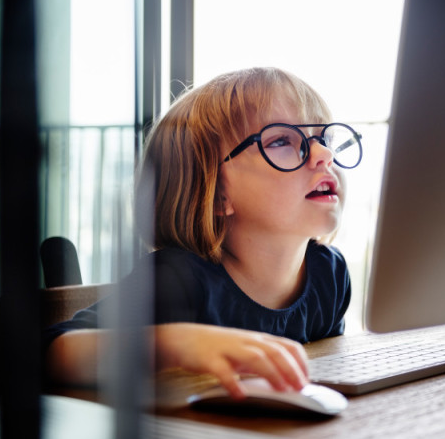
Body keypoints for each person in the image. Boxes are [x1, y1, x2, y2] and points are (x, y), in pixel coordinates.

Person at [43, 67, 361, 399]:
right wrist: (174, 342)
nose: (325, 155)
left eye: (325, 140)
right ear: (216, 192)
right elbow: (47, 351)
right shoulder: (177, 280)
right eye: (281, 140)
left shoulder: (329, 274)